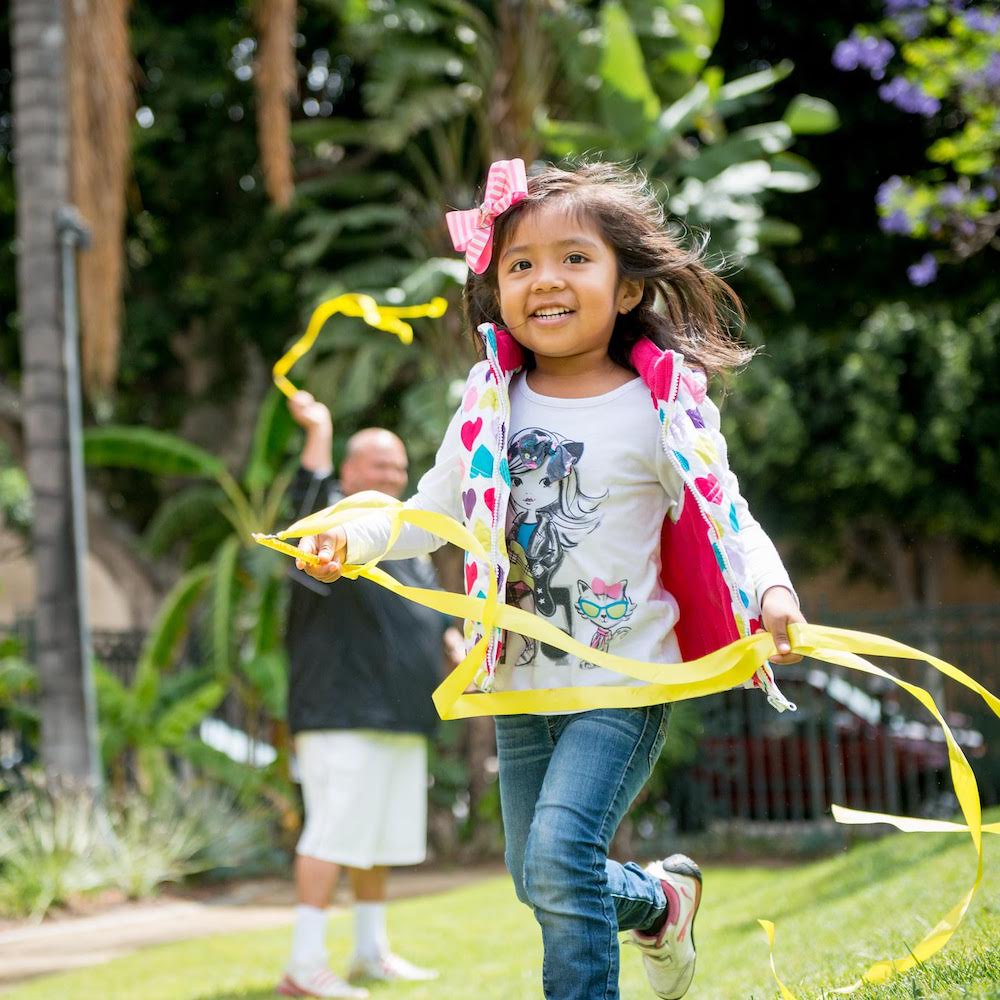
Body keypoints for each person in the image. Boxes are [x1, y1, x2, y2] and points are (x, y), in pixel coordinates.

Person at [295, 159, 806, 1000]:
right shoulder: (490, 403)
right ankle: (660, 903)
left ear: (628, 287)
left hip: (622, 677)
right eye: (520, 263)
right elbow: (429, 509)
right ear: (497, 290)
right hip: (520, 684)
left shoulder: (661, 405)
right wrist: (351, 536)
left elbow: (729, 515)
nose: (544, 280)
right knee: (539, 880)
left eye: (575, 258)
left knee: (561, 856)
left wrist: (772, 591)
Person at [278, 392, 464, 1000]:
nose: (390, 478)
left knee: (374, 837)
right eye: (378, 468)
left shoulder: (402, 536)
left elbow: (427, 615)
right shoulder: (329, 525)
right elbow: (302, 506)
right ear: (349, 473)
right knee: (332, 831)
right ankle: (304, 965)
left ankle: (369, 950)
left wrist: (452, 639)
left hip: (400, 711)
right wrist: (320, 431)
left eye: (398, 470)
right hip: (340, 710)